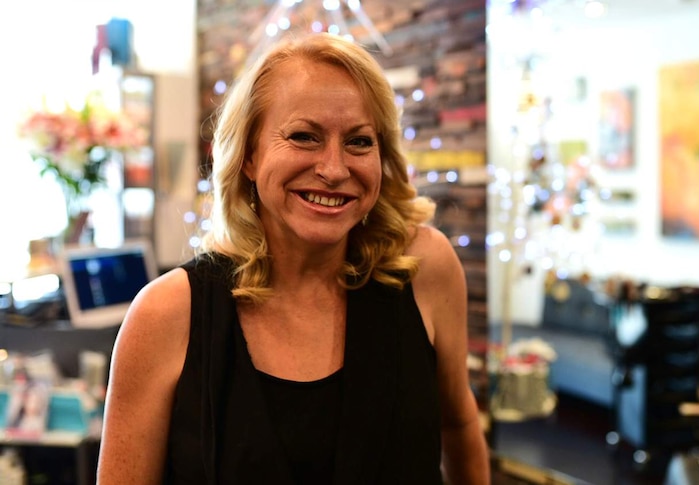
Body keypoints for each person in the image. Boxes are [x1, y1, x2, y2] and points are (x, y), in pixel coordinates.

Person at [96, 32, 491, 484]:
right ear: (248, 154)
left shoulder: (424, 268)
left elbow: (459, 424)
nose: (334, 169)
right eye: (304, 137)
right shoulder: (167, 314)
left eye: (359, 142)